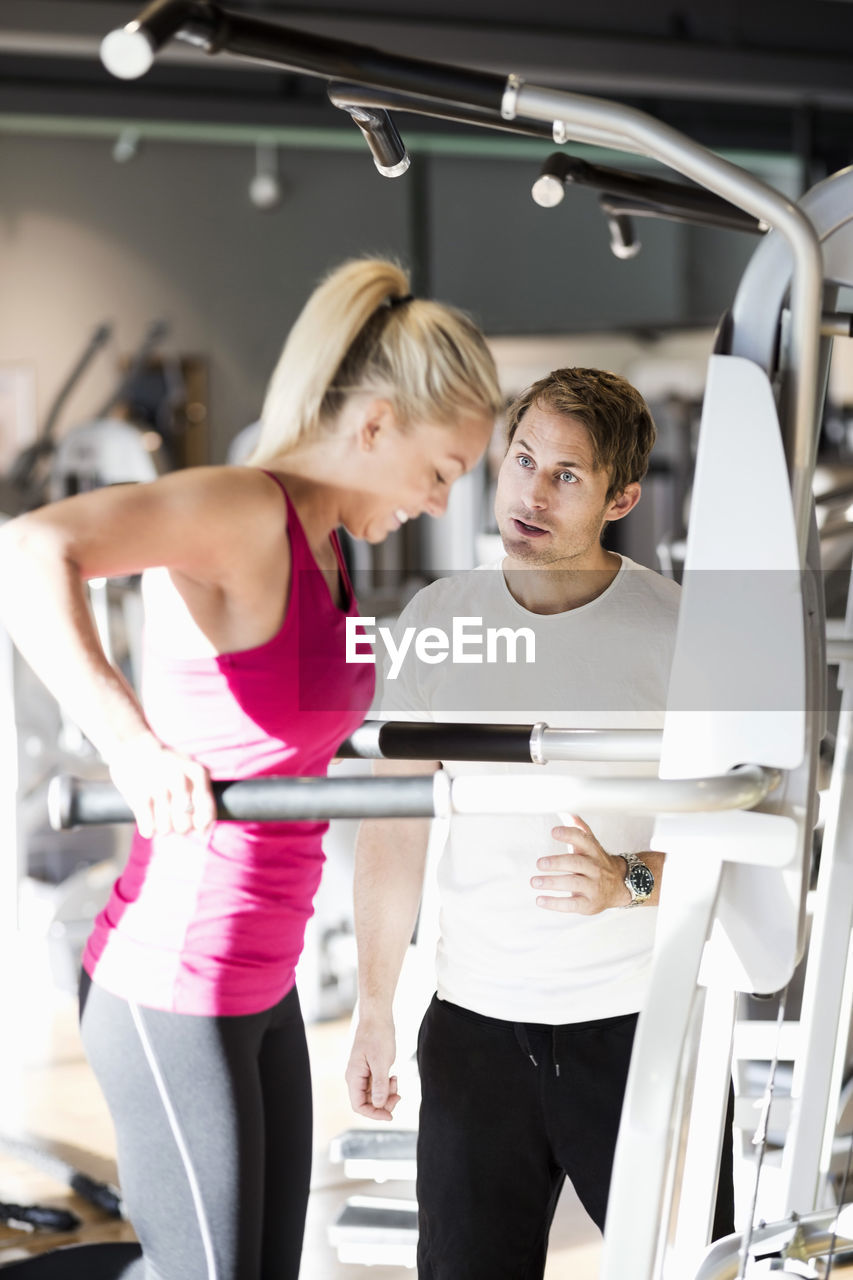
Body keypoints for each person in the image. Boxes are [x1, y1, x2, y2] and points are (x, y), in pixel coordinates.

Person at [0, 258, 502, 1280]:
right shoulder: (242, 507)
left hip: (262, 985)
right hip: (173, 979)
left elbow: (323, 705)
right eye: (441, 468)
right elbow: (26, 549)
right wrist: (129, 743)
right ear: (373, 425)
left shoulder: (330, 551)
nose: (440, 497)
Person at [346, 366, 735, 1278]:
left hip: (638, 1028)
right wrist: (374, 1006)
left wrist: (625, 880)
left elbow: (740, 845)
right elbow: (392, 830)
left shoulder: (678, 636)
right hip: (475, 1033)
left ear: (620, 497)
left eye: (566, 475)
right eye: (523, 459)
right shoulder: (439, 623)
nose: (531, 491)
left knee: (700, 1269)